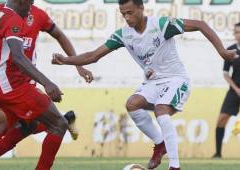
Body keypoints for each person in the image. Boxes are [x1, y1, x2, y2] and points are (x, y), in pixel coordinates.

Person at [51, 0, 237, 169]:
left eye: (130, 12)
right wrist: (66, 60)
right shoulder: (124, 35)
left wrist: (221, 51)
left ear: (141, 8)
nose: (127, 17)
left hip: (176, 79)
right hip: (153, 82)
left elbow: (200, 24)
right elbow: (93, 56)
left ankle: (174, 166)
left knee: (161, 110)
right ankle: (160, 144)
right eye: (123, 14)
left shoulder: (162, 25)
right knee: (132, 104)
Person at [0, 0, 75, 169]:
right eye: (30, 4)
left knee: (28, 125)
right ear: (22, 1)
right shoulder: (14, 19)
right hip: (12, 86)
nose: (31, 9)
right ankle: (67, 118)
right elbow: (18, 57)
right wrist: (47, 83)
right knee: (59, 125)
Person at [0, 1, 94, 155]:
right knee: (29, 124)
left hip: (25, 81)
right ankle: (65, 120)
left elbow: (59, 35)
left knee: (7, 122)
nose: (32, 3)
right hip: (6, 82)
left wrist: (78, 65)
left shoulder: (37, 15)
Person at [213, 22, 240, 158]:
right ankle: (218, 153)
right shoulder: (230, 50)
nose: (238, 35)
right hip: (235, 90)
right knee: (221, 120)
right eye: (236, 32)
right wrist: (236, 89)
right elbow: (225, 73)